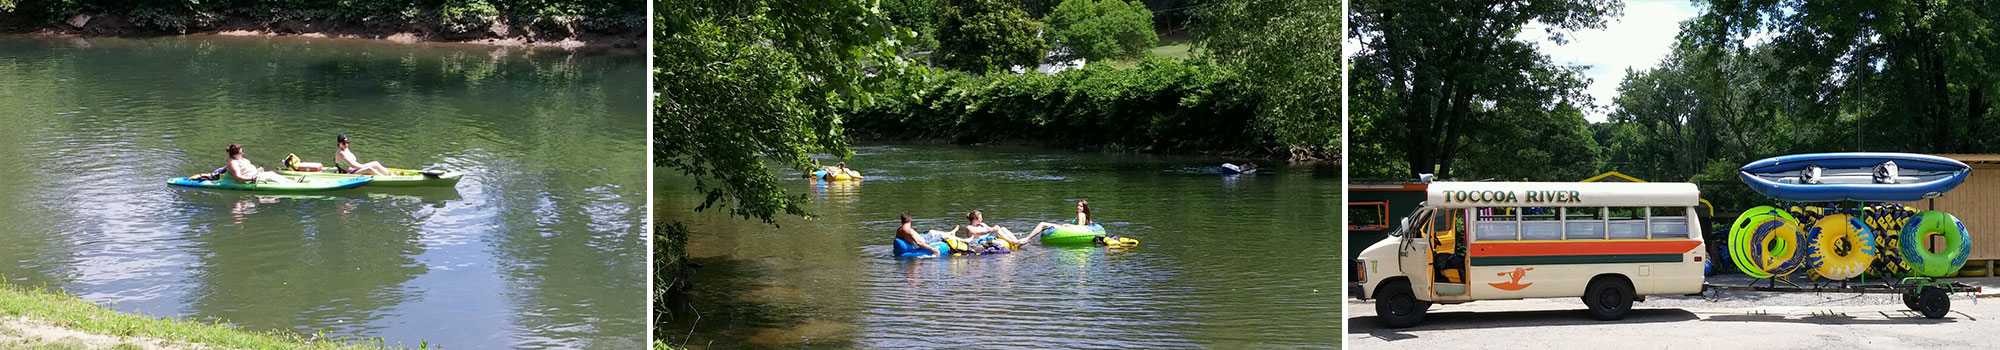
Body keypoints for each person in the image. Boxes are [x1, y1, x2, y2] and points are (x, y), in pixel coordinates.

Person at [225, 143, 297, 183]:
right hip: (252, 179)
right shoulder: (233, 163)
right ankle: (293, 184)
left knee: (271, 173)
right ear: (235, 154)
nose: (242, 153)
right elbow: (238, 177)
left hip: (256, 174)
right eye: (241, 152)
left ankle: (291, 182)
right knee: (270, 176)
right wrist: (251, 178)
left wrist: (257, 170)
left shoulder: (238, 158)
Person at [963, 210, 1027, 246]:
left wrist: (995, 228)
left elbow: (990, 229)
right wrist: (993, 229)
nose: (982, 219)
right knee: (997, 231)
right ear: (975, 219)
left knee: (1002, 228)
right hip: (980, 242)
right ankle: (1012, 241)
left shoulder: (982, 224)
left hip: (988, 238)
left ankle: (1016, 241)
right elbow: (980, 233)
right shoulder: (970, 228)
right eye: (980, 218)